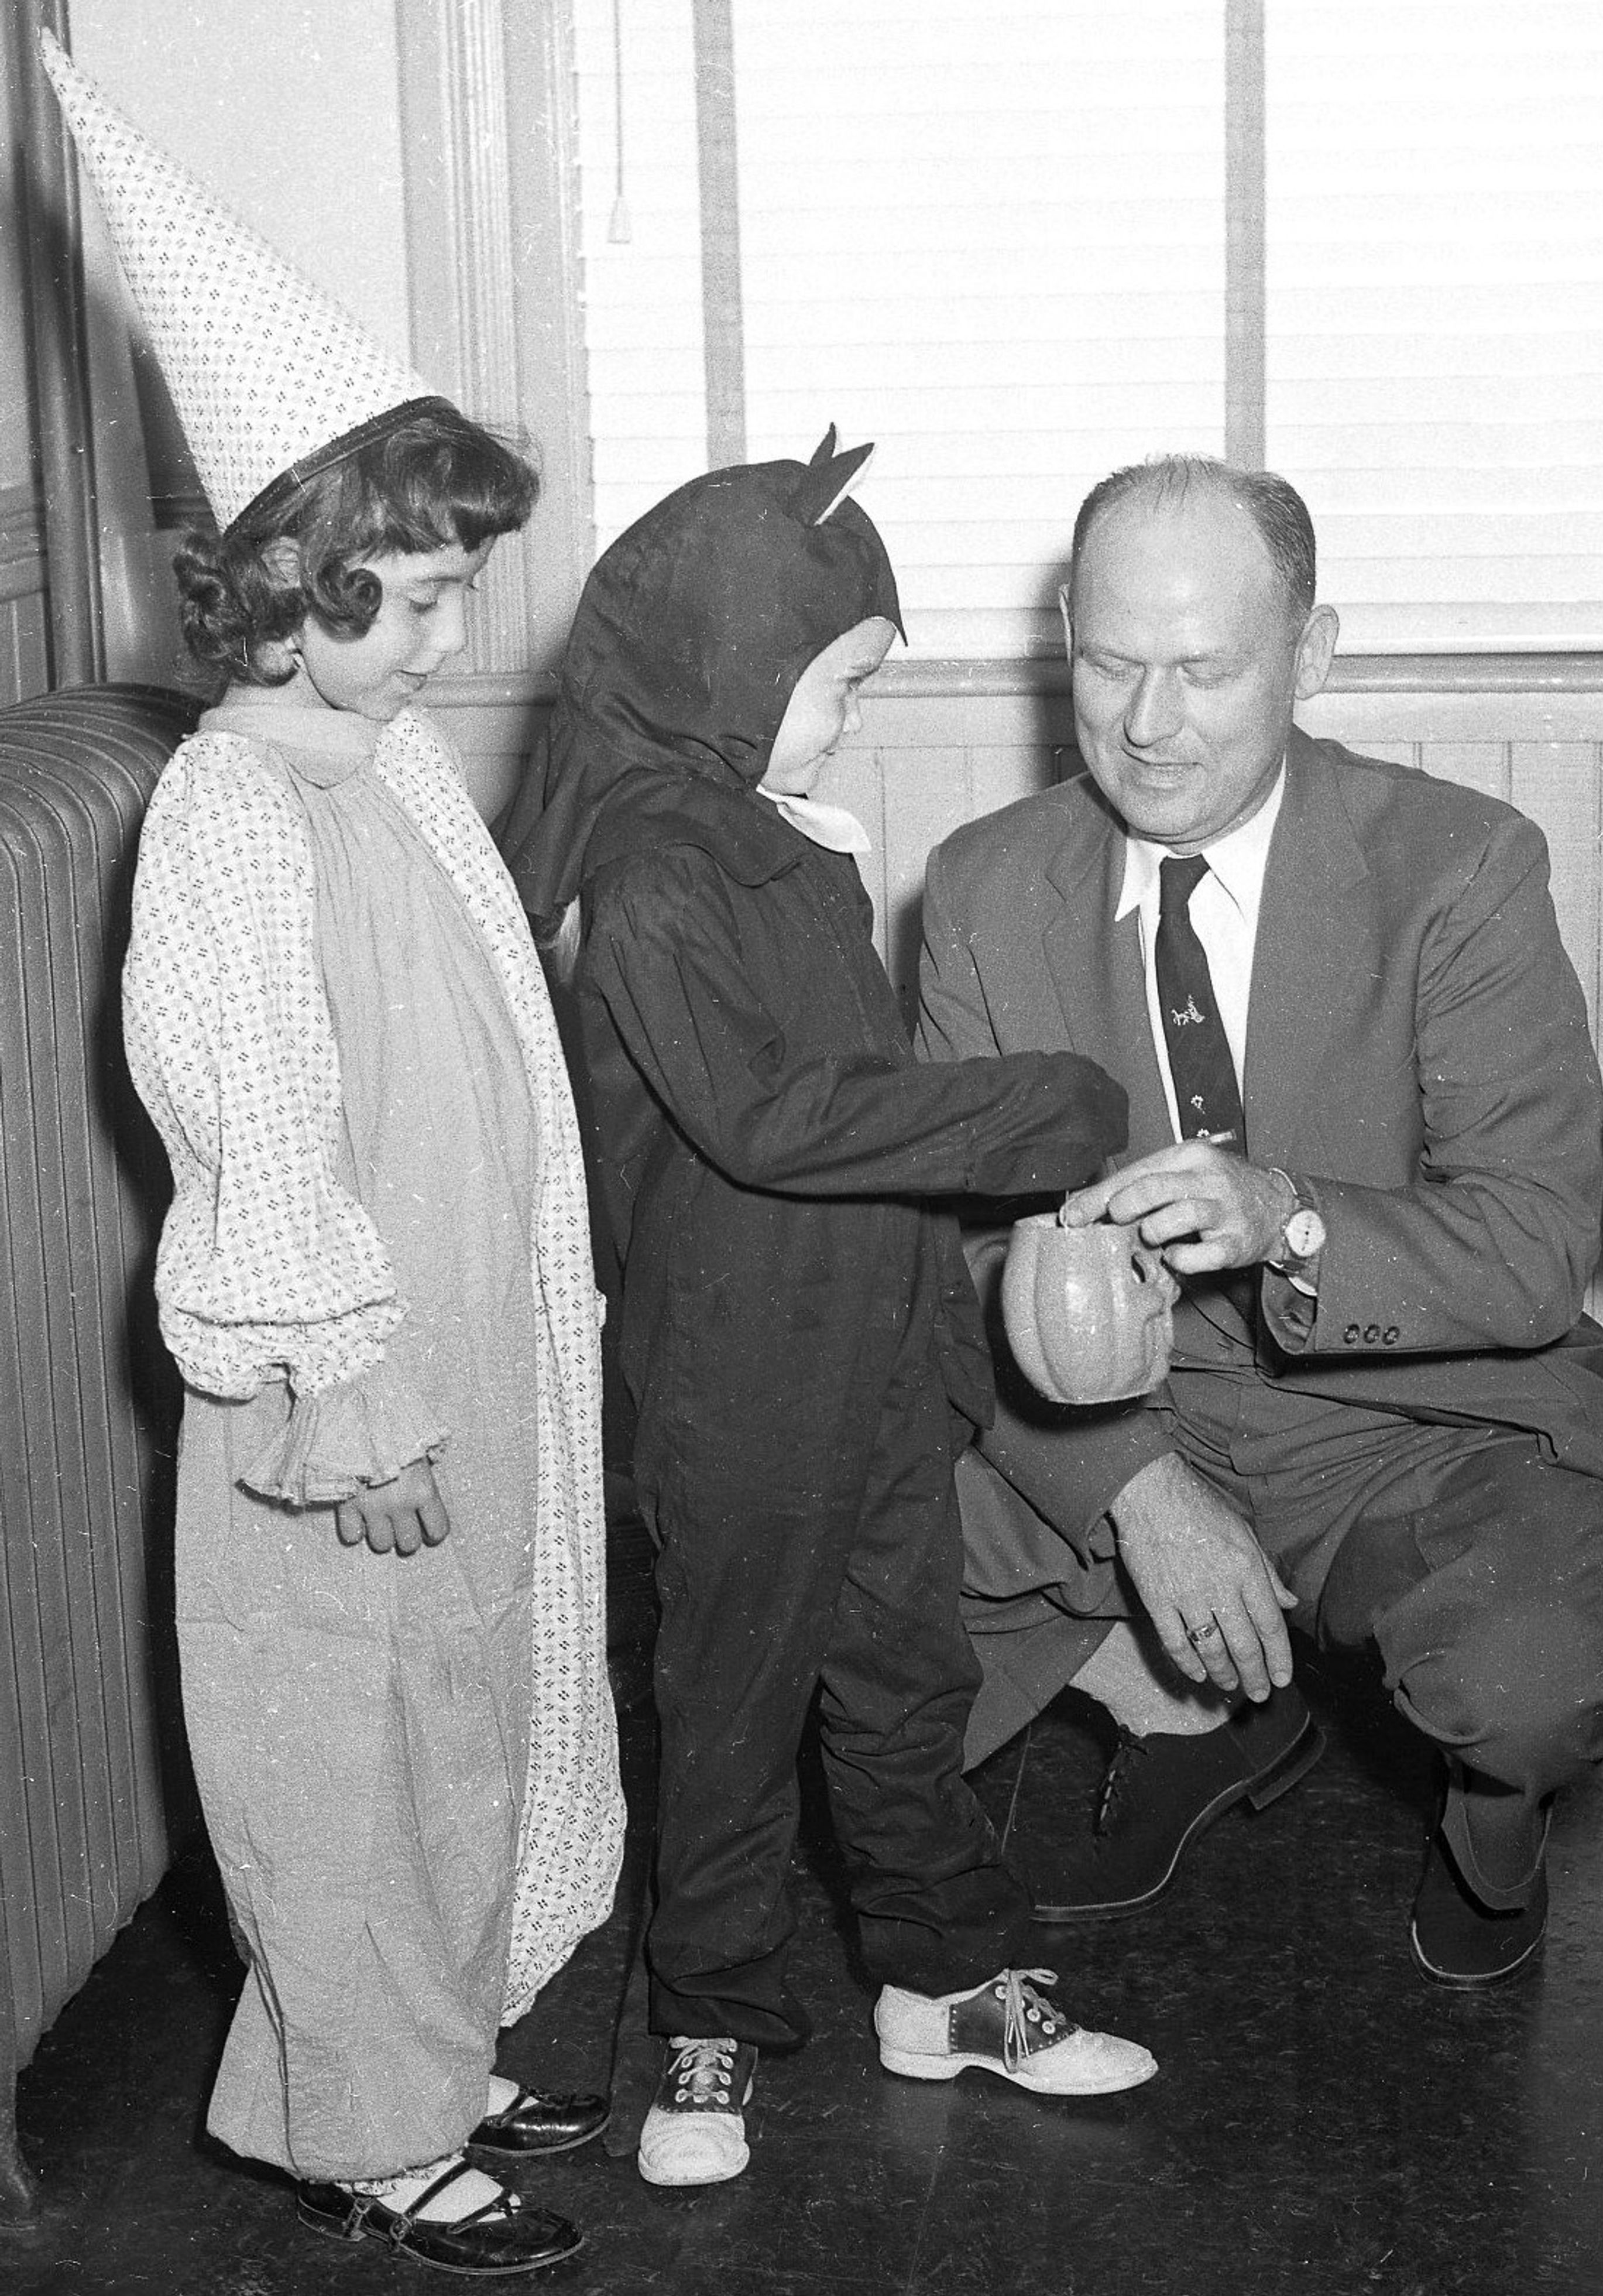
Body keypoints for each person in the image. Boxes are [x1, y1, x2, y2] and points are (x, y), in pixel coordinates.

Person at [40, 32, 624, 2279]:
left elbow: (474, 1053)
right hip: (334, 1404)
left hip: (461, 1349)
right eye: (422, 593)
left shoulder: (377, 773)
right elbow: (256, 1120)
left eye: (464, 581)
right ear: (284, 578)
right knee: (342, 1753)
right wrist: (347, 1390)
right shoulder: (221, 820)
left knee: (461, 1707)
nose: (459, 631)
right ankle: (358, 2127)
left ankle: (431, 2039)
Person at [502, 440, 1157, 2193]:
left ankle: (939, 1976)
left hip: (870, 1349)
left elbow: (859, 1112)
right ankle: (703, 2014)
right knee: (732, 1701)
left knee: (905, 1683)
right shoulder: (650, 872)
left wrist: (953, 1307)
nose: (855, 716)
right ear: (729, 671)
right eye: (843, 681)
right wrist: (1041, 1108)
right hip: (736, 1377)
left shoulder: (785, 842)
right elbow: (772, 1117)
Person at [917, 455, 1603, 1986]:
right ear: (1064, 635)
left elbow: (1532, 1247)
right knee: (798, 1564)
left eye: (1205, 668)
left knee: (1530, 1678)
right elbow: (960, 1258)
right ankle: (1181, 1704)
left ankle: (1490, 1834)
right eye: (1111, 662)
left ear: (1313, 655)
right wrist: (1131, 1492)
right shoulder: (986, 893)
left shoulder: (1460, 866)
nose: (1146, 721)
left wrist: (1289, 1221)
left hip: (1410, 1420)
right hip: (1114, 1410)